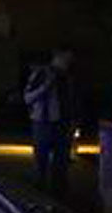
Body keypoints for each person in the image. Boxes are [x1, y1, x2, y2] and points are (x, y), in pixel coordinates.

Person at [24, 48, 79, 197]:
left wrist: (73, 121)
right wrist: (45, 87)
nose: (69, 61)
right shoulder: (42, 74)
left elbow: (71, 100)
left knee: (61, 160)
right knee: (41, 158)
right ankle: (39, 191)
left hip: (62, 123)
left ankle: (58, 193)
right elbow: (28, 97)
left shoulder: (68, 77)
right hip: (43, 122)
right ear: (57, 57)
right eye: (66, 58)